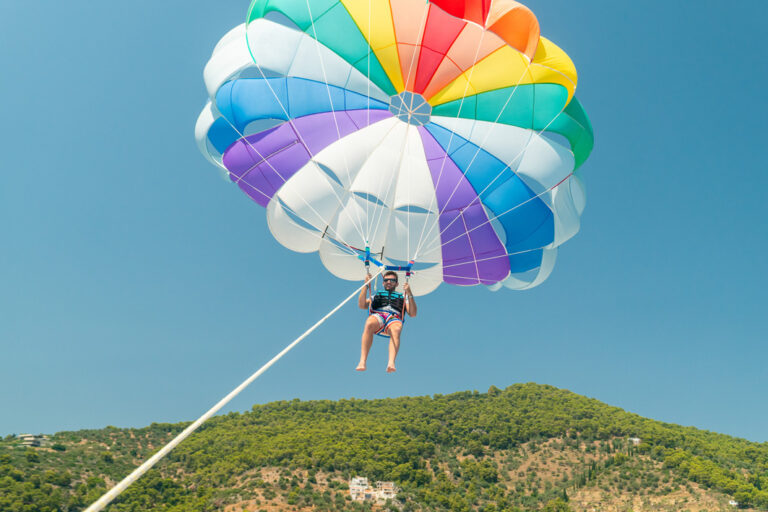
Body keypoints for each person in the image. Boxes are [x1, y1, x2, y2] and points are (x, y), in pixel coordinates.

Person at [356, 270, 417, 373]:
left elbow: (413, 313)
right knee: (369, 322)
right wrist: (365, 285)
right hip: (378, 315)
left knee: (396, 329)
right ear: (383, 282)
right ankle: (362, 361)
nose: (389, 282)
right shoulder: (376, 296)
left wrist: (409, 293)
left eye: (392, 280)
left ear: (397, 284)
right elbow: (361, 305)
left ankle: (391, 362)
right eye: (386, 280)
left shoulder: (402, 297)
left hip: (394, 318)